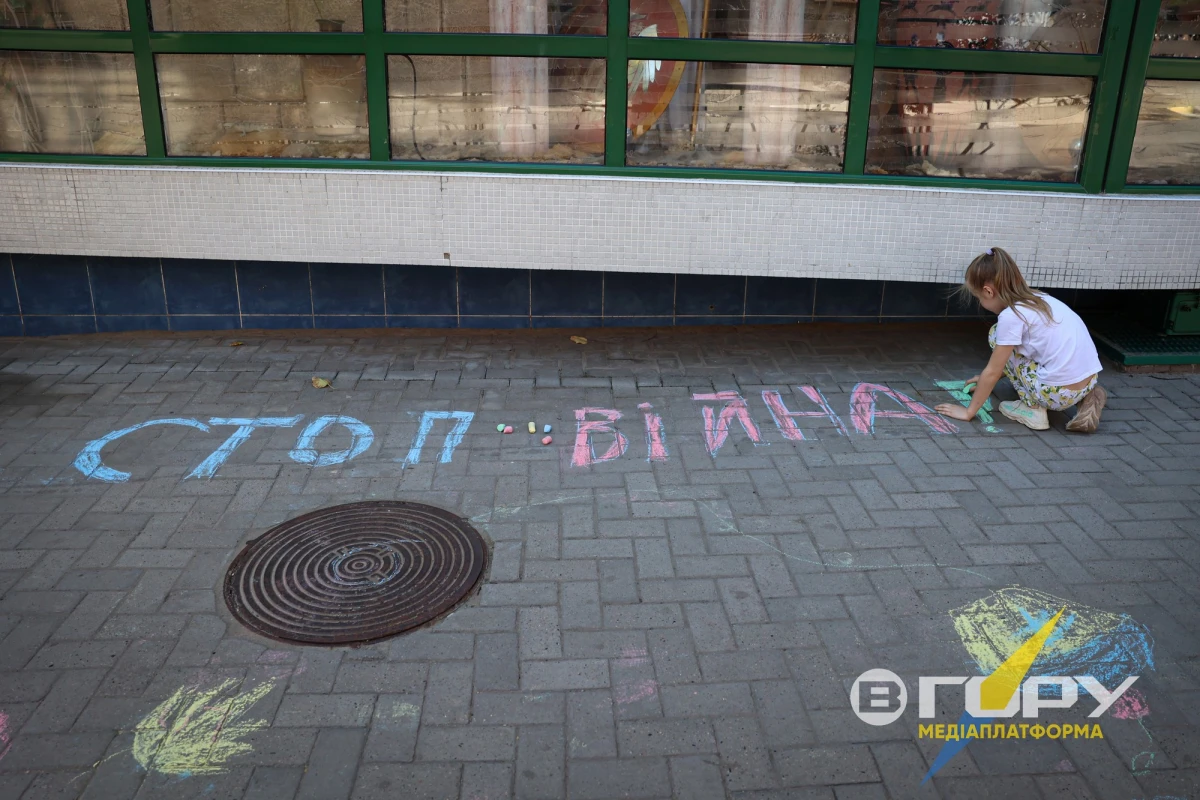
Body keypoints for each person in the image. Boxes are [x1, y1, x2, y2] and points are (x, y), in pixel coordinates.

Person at [934, 247, 1106, 433]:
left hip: (1056, 393)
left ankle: (1033, 410)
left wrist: (968, 412)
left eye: (978, 297)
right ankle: (1084, 397)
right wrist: (984, 380)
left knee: (996, 335)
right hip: (1088, 379)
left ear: (988, 291)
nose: (980, 302)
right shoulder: (1039, 298)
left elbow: (993, 371)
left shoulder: (1011, 316)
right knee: (1011, 341)